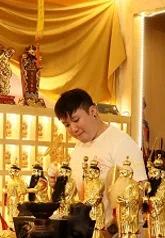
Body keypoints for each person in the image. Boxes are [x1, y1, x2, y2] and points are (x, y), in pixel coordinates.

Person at [54, 89, 146, 225]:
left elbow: (138, 195)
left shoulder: (121, 143)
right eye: (67, 125)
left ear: (93, 111)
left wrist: (110, 232)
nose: (73, 129)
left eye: (76, 120)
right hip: (85, 234)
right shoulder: (79, 148)